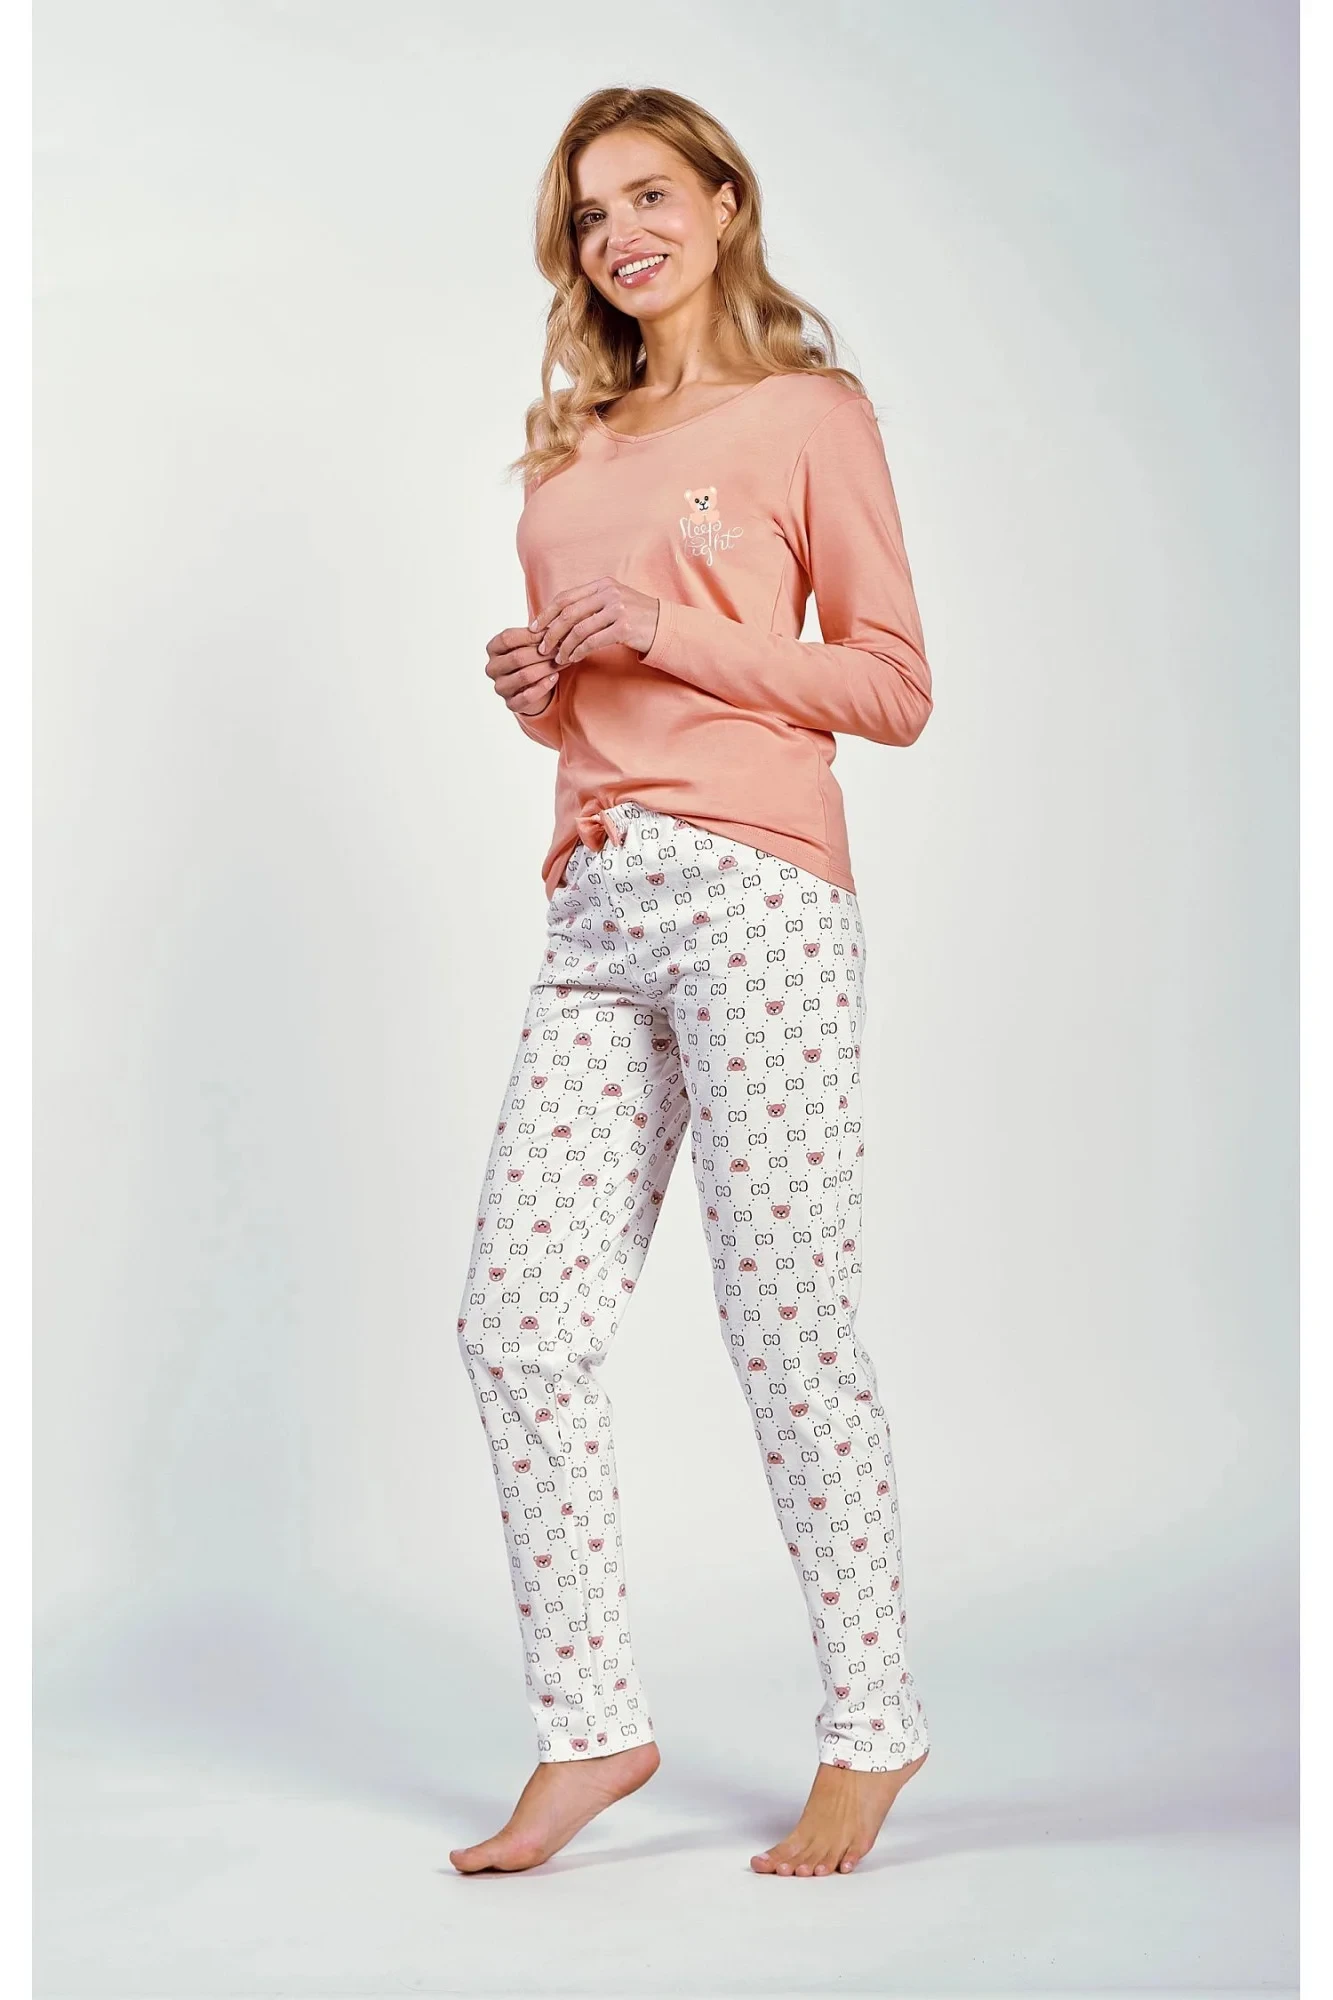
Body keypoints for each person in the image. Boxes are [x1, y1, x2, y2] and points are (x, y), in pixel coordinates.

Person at [449, 84, 935, 1881]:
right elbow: (606, 706)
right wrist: (547, 698)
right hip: (600, 904)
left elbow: (891, 685)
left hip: (759, 894)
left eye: (650, 195)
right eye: (590, 215)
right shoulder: (568, 457)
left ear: (725, 203)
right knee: (517, 1320)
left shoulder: (811, 414)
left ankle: (872, 1729)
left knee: (786, 1320)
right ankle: (593, 1725)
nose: (620, 236)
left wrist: (672, 630)